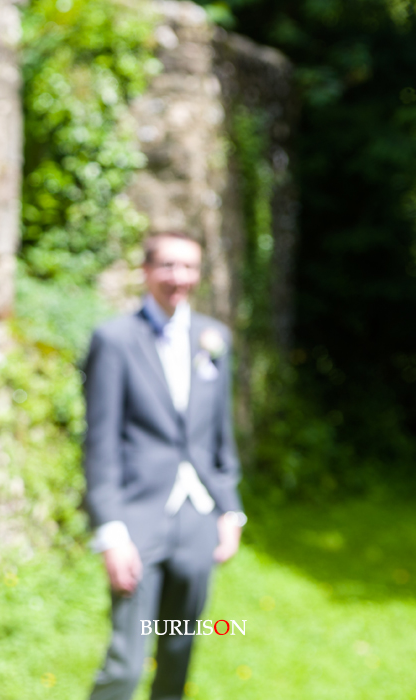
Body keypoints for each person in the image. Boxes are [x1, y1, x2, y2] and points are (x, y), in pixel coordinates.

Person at [82, 231, 247, 700]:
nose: (180, 278)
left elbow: (220, 437)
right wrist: (111, 532)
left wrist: (230, 511)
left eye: (189, 267)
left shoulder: (214, 339)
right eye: (168, 266)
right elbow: (101, 443)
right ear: (146, 271)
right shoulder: (114, 340)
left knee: (178, 652)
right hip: (138, 518)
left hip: (199, 520)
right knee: (127, 663)